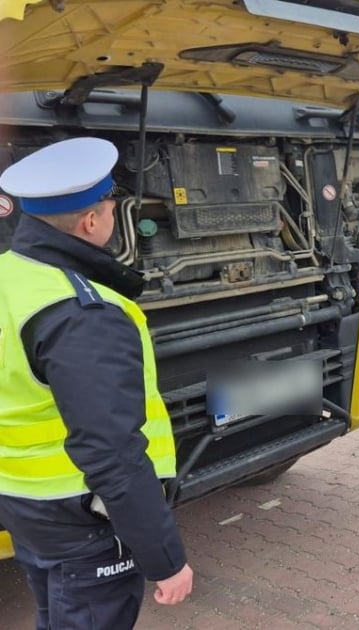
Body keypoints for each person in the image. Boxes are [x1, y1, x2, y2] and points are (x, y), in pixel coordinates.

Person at [0, 137, 194, 629]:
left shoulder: (11, 274)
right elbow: (110, 448)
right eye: (110, 205)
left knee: (55, 612)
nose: (112, 213)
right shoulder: (84, 314)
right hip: (80, 516)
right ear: (92, 221)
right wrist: (165, 558)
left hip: (24, 500)